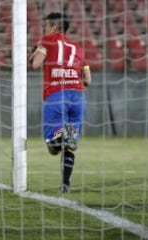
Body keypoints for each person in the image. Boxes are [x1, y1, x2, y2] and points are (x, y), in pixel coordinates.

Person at [29, 12, 91, 193]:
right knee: (69, 145)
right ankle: (65, 185)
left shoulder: (47, 41)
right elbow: (88, 80)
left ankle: (60, 139)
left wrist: (34, 54)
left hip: (57, 95)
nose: (45, 29)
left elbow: (35, 64)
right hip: (78, 97)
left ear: (54, 27)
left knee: (53, 145)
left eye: (46, 26)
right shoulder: (78, 47)